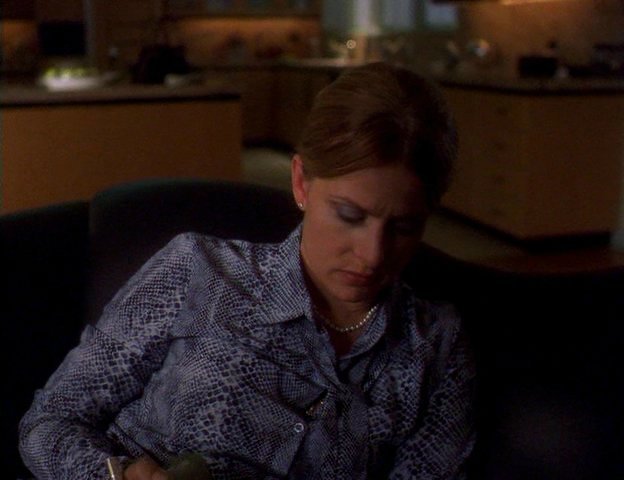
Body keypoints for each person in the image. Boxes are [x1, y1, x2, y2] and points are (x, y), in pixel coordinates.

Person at [19, 62, 475, 479]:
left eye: (404, 227)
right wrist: (113, 476)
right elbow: (50, 421)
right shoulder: (198, 272)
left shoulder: (433, 346)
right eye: (349, 216)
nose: (372, 255)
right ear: (301, 183)